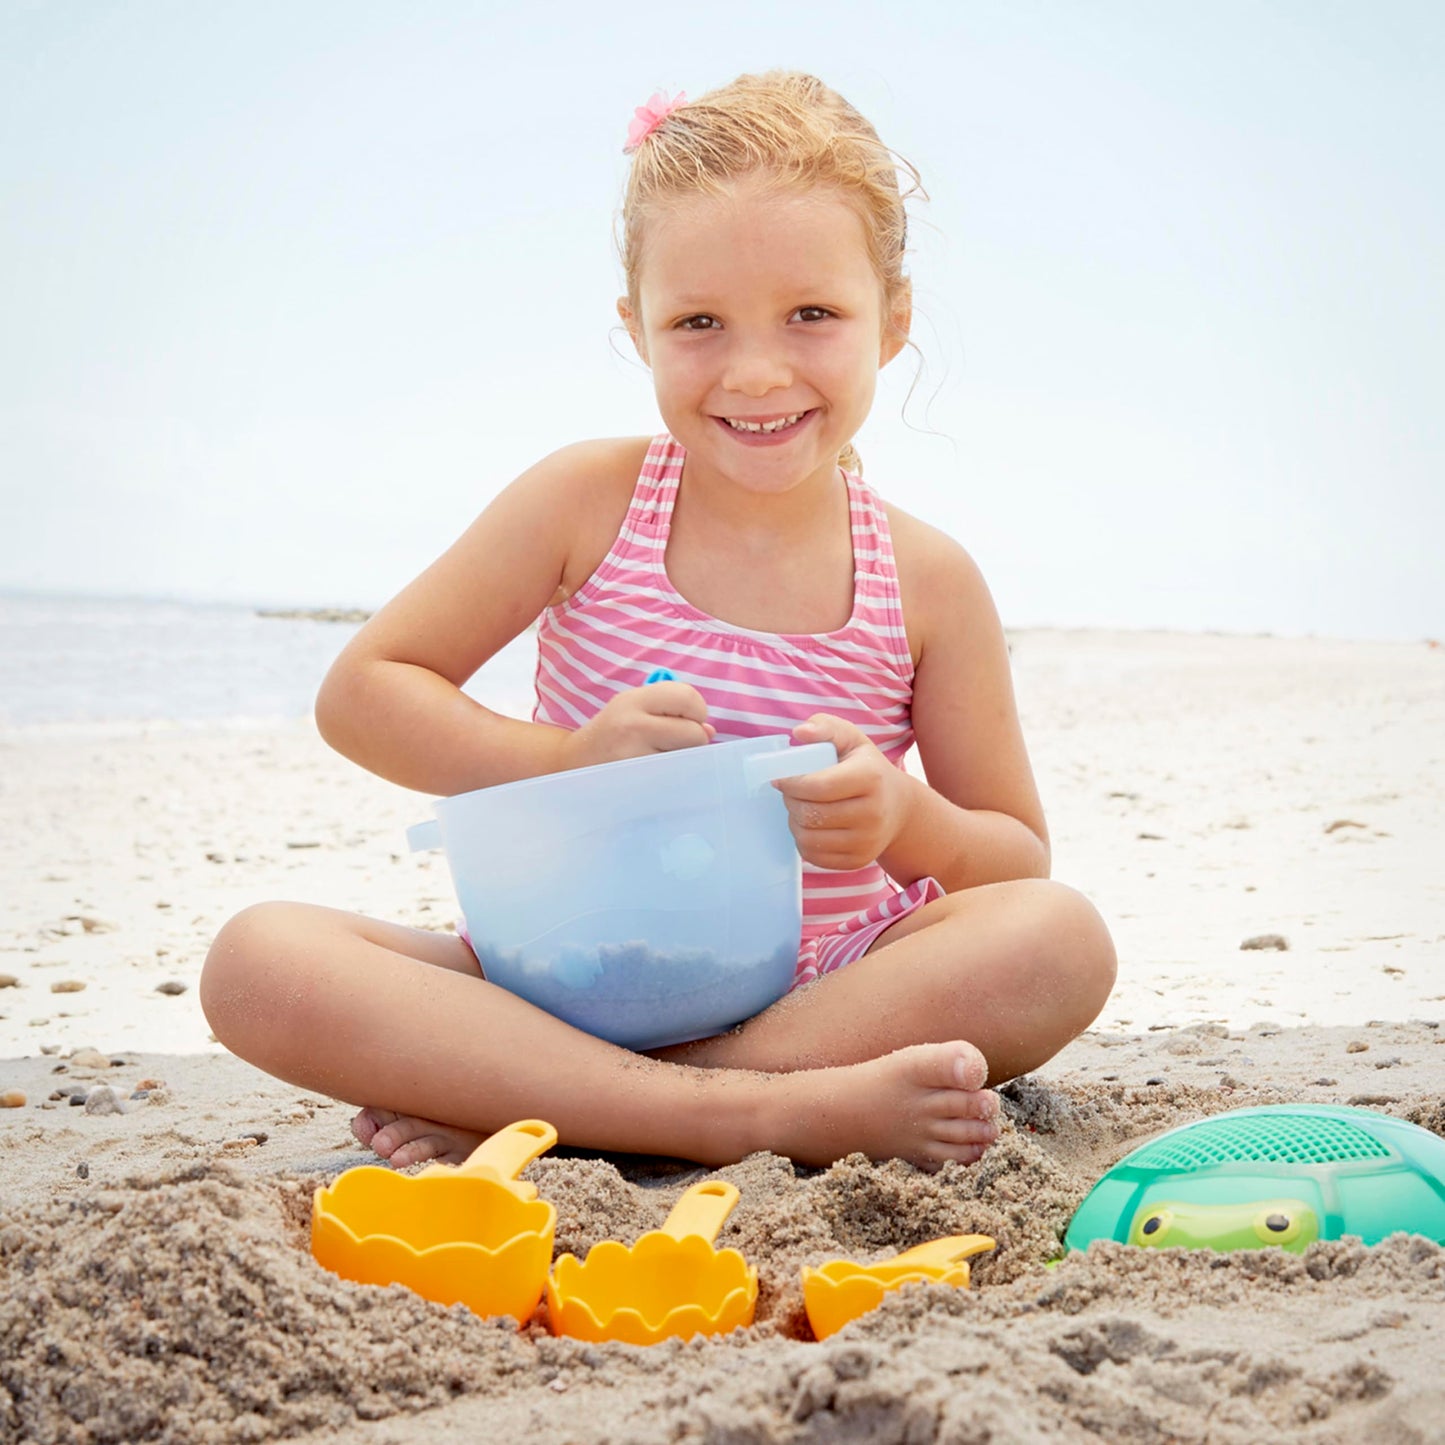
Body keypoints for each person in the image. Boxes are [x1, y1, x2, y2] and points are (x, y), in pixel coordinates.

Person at [201, 71, 1116, 1172]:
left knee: (1059, 939)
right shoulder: (586, 502)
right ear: (636, 328)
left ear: (892, 322)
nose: (755, 369)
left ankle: (563, 1105)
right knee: (257, 960)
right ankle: (755, 1113)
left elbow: (1013, 861)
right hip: (553, 981)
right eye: (698, 323)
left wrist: (899, 817)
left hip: (819, 993)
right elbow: (365, 692)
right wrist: (569, 759)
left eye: (811, 314)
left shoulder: (924, 577)